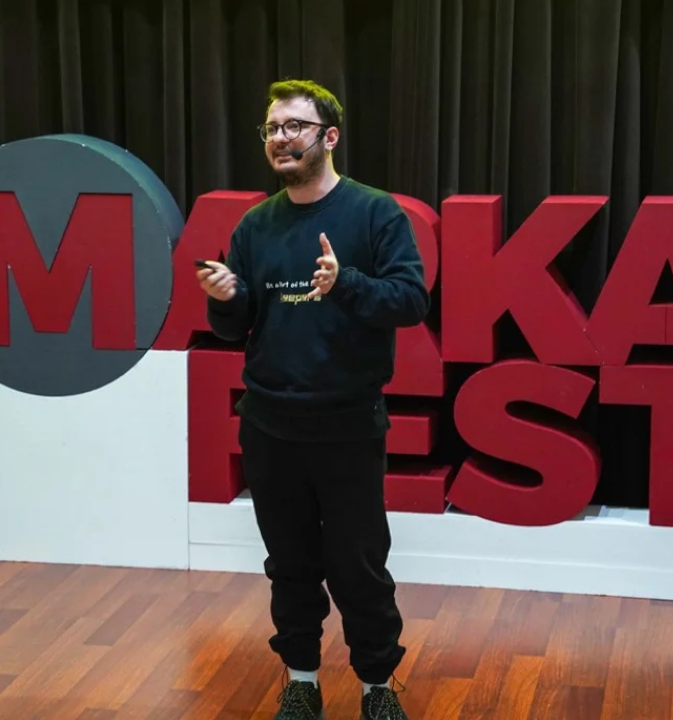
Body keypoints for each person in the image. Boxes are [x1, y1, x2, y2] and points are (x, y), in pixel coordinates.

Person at [196, 79, 427, 720]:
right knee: (290, 565)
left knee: (358, 566)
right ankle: (302, 681)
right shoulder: (255, 225)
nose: (280, 138)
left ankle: (377, 687)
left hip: (348, 426)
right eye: (272, 128)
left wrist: (344, 281)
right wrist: (228, 300)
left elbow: (411, 300)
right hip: (270, 425)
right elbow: (239, 327)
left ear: (329, 136)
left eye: (294, 126)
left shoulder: (375, 213)